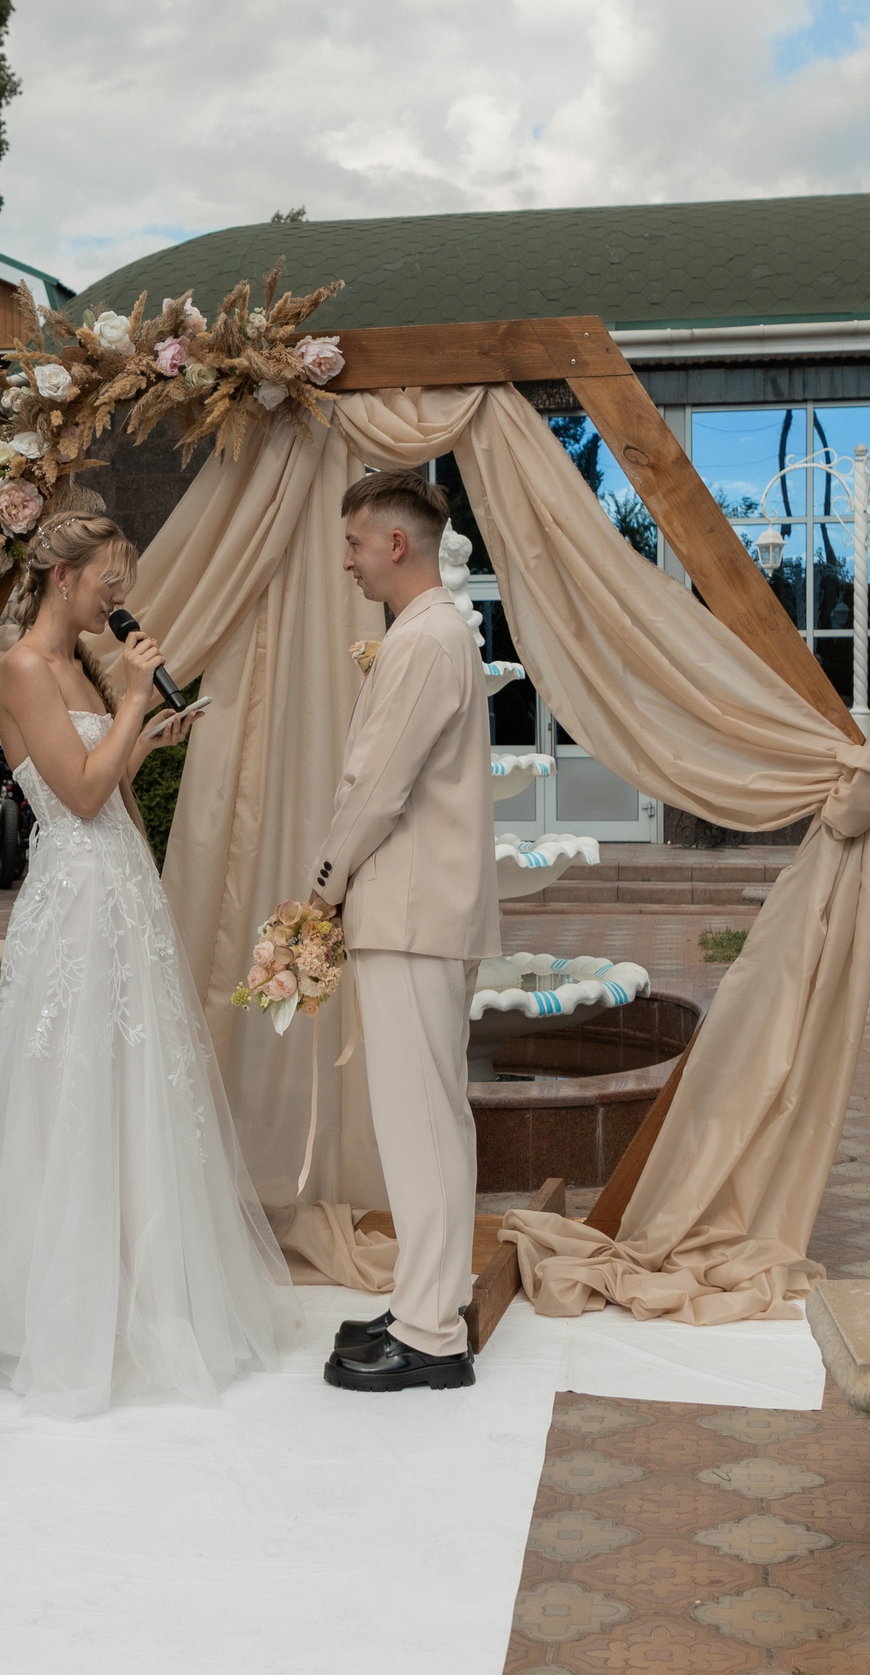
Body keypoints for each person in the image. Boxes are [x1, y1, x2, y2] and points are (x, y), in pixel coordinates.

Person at [0, 514, 293, 1417]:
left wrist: (145, 732)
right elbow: (71, 796)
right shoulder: (27, 668)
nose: (119, 596)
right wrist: (131, 700)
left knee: (135, 1080)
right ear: (62, 576)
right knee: (74, 1084)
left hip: (122, 886)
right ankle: (66, 1314)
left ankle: (142, 1289)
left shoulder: (77, 665)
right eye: (108, 579)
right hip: (74, 897)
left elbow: (102, 777)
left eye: (123, 580)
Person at [311, 471, 499, 1393]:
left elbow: (375, 787)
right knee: (432, 1118)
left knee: (420, 1122)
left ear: (396, 544)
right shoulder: (431, 635)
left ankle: (430, 1335)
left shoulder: (421, 642)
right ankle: (432, 1293)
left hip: (410, 911)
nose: (345, 558)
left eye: (353, 542)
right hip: (420, 909)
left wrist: (322, 885)